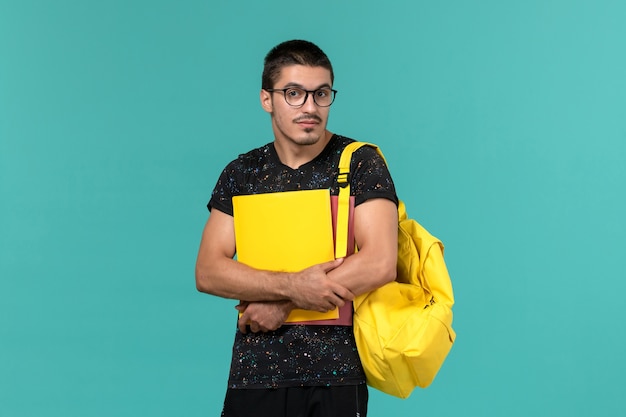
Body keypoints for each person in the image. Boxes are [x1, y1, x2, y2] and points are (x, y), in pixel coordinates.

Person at [195, 39, 399, 417]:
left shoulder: (359, 163)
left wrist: (284, 303)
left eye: (321, 93)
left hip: (337, 377)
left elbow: (381, 262)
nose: (310, 107)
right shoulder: (242, 172)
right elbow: (208, 270)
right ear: (266, 99)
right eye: (294, 93)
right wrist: (292, 286)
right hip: (254, 374)